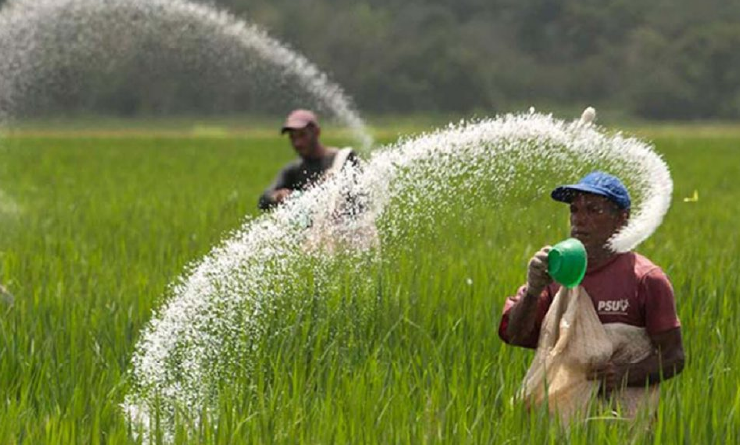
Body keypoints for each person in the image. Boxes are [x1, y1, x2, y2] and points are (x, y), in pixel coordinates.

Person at [499, 171, 684, 399]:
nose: (579, 219)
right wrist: (533, 291)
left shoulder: (646, 279)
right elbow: (515, 335)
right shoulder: (555, 274)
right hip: (559, 418)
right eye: (574, 210)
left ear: (621, 219)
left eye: (593, 210)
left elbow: (674, 357)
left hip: (625, 422)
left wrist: (623, 374)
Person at [258, 109, 360, 211]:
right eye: (292, 137)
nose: (297, 143)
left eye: (302, 135)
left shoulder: (343, 159)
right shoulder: (294, 170)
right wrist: (278, 196)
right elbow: (263, 200)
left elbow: (361, 199)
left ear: (317, 132)